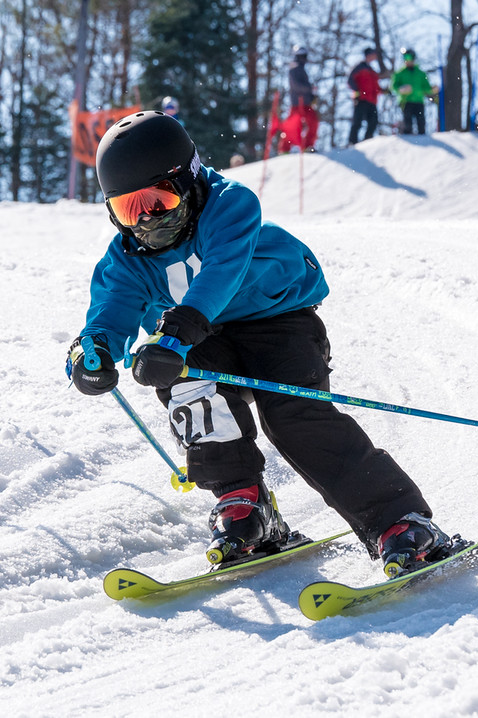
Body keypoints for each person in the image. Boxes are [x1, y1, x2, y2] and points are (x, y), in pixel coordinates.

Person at [65, 110, 452, 575]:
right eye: (130, 209)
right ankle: (244, 506)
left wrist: (175, 334)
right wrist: (94, 352)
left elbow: (222, 271)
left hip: (278, 320)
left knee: (294, 416)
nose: (147, 220)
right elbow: (110, 309)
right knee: (193, 393)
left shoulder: (228, 204)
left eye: (159, 201)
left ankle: (397, 521)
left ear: (188, 180)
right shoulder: (127, 258)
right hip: (198, 338)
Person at [390, 48, 436, 135]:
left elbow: (426, 87)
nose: (407, 60)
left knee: (421, 122)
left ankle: (423, 139)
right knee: (407, 123)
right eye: (405, 58)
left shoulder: (421, 74)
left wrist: (432, 89)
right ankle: (408, 139)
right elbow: (393, 86)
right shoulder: (400, 73)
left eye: (409, 58)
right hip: (405, 101)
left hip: (419, 100)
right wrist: (400, 89)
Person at [348, 47, 383, 145]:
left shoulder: (372, 71)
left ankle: (367, 141)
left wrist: (384, 91)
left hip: (372, 100)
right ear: (368, 55)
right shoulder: (360, 67)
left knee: (373, 122)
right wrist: (357, 90)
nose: (375, 57)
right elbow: (350, 79)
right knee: (357, 121)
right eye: (373, 54)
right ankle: (352, 142)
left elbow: (375, 87)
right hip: (361, 98)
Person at [287, 45, 319, 150]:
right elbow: (296, 86)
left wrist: (312, 96)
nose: (303, 58)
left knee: (313, 123)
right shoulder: (294, 69)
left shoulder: (301, 69)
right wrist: (309, 88)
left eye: (304, 56)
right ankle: (284, 148)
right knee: (292, 127)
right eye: (301, 56)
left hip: (306, 103)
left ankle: (308, 145)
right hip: (297, 103)